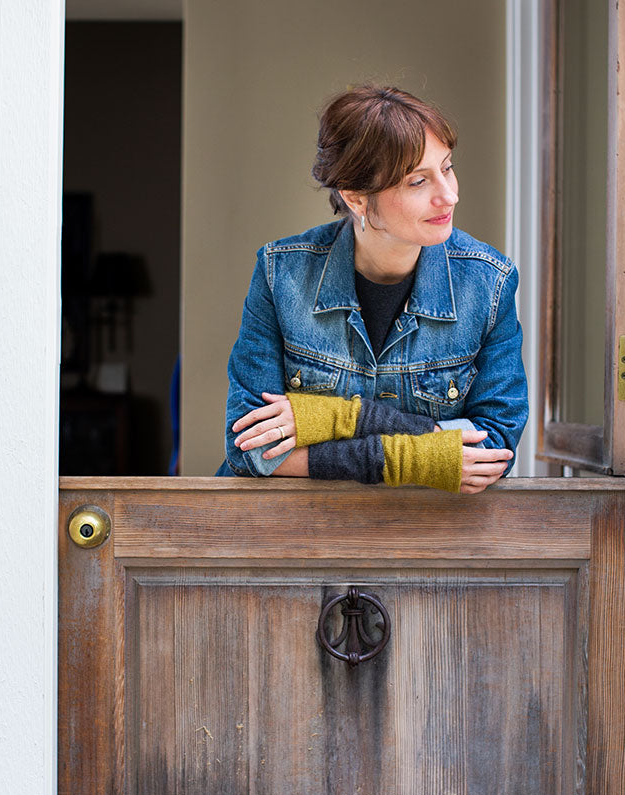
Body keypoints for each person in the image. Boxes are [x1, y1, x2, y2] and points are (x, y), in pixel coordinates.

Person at [218, 85, 528, 493]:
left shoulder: (489, 282)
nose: (449, 194)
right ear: (356, 198)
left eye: (447, 167)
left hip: (421, 536)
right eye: (418, 181)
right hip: (286, 535)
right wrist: (419, 457)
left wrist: (341, 419)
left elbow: (493, 449)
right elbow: (250, 449)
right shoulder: (282, 275)